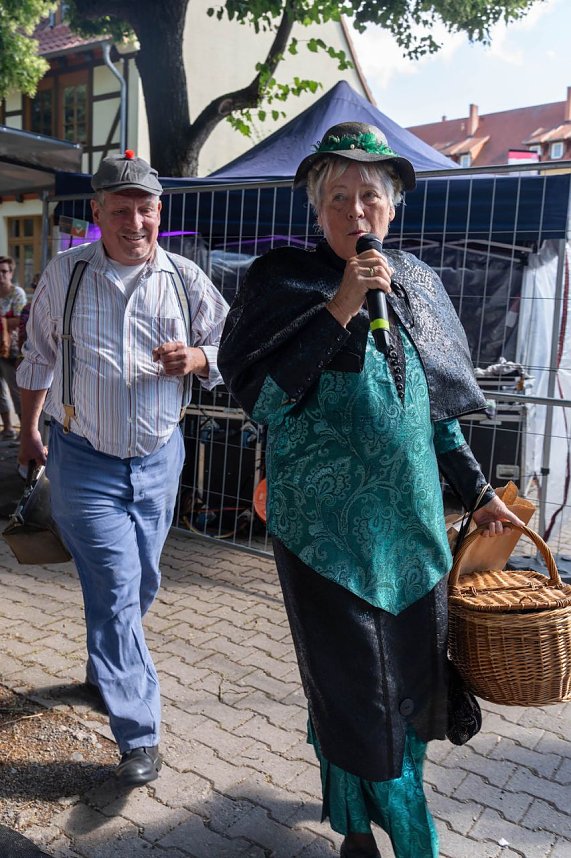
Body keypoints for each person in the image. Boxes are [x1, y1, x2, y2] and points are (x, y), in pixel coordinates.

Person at [217, 122, 522, 858]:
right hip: (322, 539)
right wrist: (340, 308)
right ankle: (407, 842)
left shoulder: (416, 282)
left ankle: (354, 819)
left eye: (370, 197)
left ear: (392, 210)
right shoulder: (280, 281)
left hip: (412, 539)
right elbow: (264, 399)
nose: (356, 211)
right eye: (338, 197)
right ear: (316, 209)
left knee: (406, 698)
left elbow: (436, 411)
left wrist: (478, 491)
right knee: (359, 697)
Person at [17, 150, 229, 787]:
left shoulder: (186, 278)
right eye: (121, 210)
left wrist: (196, 358)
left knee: (140, 585)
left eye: (145, 209)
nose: (135, 221)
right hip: (83, 459)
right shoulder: (67, 274)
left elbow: (232, 344)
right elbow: (37, 357)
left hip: (161, 458)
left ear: (158, 210)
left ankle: (103, 665)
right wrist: (28, 430)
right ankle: (139, 734)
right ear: (97, 213)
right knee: (113, 587)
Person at [0, 255, 26, 443]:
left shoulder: (17, 293)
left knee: (16, 391)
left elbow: (19, 320)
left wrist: (3, 322)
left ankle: (26, 432)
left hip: (12, 350)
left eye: (4, 271)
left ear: (11, 273)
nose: (1, 275)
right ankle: (8, 428)